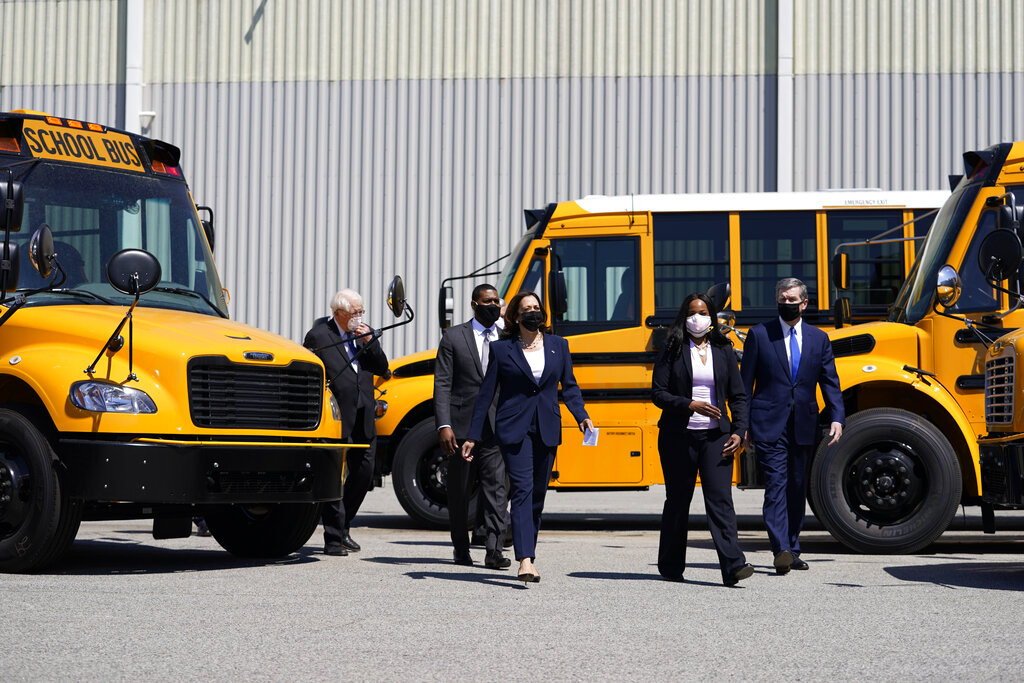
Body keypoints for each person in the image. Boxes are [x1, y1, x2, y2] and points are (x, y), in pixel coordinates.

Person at [461, 291, 593, 584]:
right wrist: (473, 434)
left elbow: (569, 387)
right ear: (516, 317)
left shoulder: (559, 346)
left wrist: (581, 416)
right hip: (514, 429)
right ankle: (525, 560)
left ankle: (528, 551)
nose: (533, 312)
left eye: (536, 307)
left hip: (547, 428)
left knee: (537, 496)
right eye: (527, 309)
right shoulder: (502, 349)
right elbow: (486, 394)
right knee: (521, 491)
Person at [741, 277, 844, 574]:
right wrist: (742, 424)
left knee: (797, 488)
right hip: (768, 424)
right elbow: (745, 384)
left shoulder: (818, 339)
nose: (787, 304)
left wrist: (837, 417)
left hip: (804, 424)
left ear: (805, 303)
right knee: (775, 486)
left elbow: (830, 382)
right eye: (782, 300)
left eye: (792, 300)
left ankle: (793, 548)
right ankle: (780, 549)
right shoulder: (760, 335)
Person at [651, 292, 753, 586]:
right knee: (678, 501)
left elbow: (739, 395)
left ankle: (733, 565)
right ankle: (671, 565)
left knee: (720, 501)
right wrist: (689, 404)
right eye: (693, 312)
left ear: (712, 317)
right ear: (685, 317)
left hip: (716, 437)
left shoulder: (723, 350)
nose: (698, 317)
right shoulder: (672, 348)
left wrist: (738, 430)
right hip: (678, 437)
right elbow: (658, 393)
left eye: (704, 312)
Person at [304, 288, 390, 557]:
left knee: (364, 473)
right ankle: (332, 539)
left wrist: (369, 341)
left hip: (364, 415)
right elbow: (310, 373)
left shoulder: (364, 332)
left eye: (361, 311)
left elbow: (382, 367)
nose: (359, 316)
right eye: (354, 312)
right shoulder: (320, 336)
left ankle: (344, 525)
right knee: (334, 475)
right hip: (336, 416)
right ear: (338, 313)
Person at [434, 283, 511, 569]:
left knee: (496, 490)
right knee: (459, 490)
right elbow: (442, 384)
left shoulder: (506, 338)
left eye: (496, 301)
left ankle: (494, 550)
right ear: (474, 304)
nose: (493, 305)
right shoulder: (454, 337)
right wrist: (444, 424)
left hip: (495, 428)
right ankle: (460, 548)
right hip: (462, 427)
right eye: (487, 301)